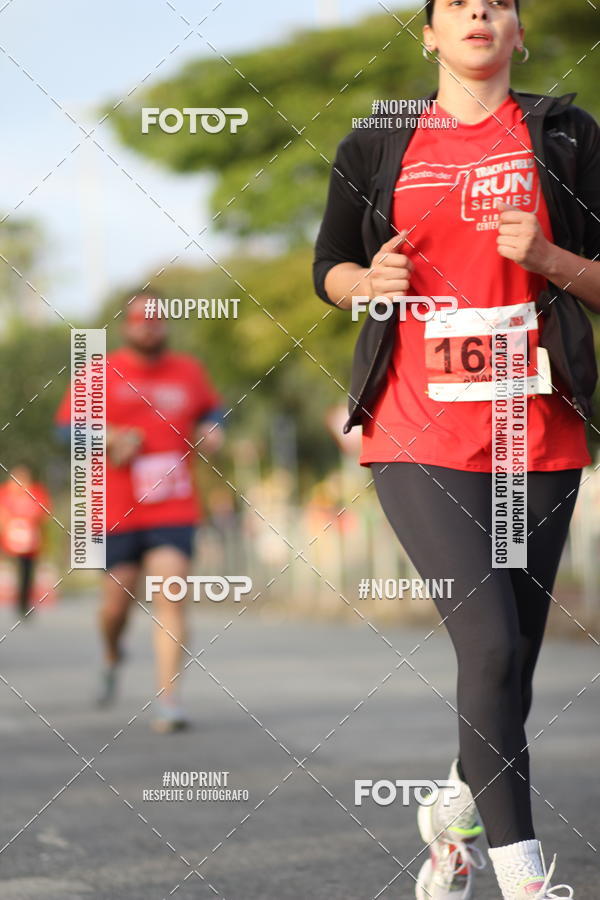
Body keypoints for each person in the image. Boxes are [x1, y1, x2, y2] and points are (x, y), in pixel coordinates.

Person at [314, 0, 600, 897]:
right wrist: (370, 278)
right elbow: (329, 266)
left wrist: (550, 259)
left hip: (536, 428)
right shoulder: (381, 142)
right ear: (430, 35)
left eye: (501, 2)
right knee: (487, 646)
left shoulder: (567, 136)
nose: (481, 11)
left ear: (517, 34)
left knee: (513, 655)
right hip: (415, 425)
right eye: (458, 4)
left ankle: (454, 812)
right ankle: (523, 877)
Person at [56, 292, 224, 733]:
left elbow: (212, 408)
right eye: (140, 319)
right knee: (117, 602)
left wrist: (213, 428)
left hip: (173, 503)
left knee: (171, 593)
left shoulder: (188, 371)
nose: (149, 326)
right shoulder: (99, 372)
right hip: (114, 508)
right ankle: (112, 652)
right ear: (126, 324)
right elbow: (64, 431)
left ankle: (169, 701)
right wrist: (108, 438)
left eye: (156, 319)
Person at [0, 464, 52, 619]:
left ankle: (23, 604)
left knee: (26, 573)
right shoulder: (5, 492)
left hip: (30, 542)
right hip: (8, 541)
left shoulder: (36, 491)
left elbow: (44, 511)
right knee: (11, 571)